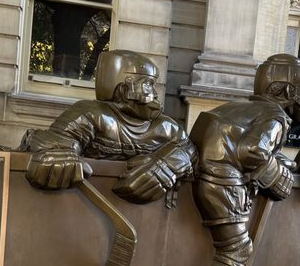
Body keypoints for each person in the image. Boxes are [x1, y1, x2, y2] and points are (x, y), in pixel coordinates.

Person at [186, 53, 300, 266]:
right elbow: (252, 152)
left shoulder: (236, 109)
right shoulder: (276, 117)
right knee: (237, 249)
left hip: (210, 179)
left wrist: (277, 161)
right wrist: (275, 175)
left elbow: (237, 142)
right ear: (288, 91)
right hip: (222, 185)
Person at [21, 50, 197, 205]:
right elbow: (53, 142)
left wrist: (168, 165)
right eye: (148, 84)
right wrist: (56, 156)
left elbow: (190, 152)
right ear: (125, 85)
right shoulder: (91, 114)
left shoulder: (166, 127)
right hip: (81, 208)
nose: (155, 93)